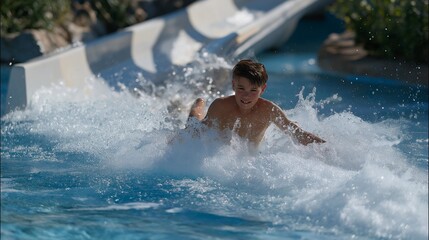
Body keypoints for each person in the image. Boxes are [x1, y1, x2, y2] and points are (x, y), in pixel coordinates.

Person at [186, 59, 325, 147]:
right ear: (233, 85)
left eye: (253, 90)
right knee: (194, 122)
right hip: (215, 141)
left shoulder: (269, 110)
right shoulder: (221, 106)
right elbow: (197, 133)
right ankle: (198, 105)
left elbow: (296, 133)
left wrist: (324, 146)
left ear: (262, 89)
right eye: (241, 88)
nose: (246, 96)